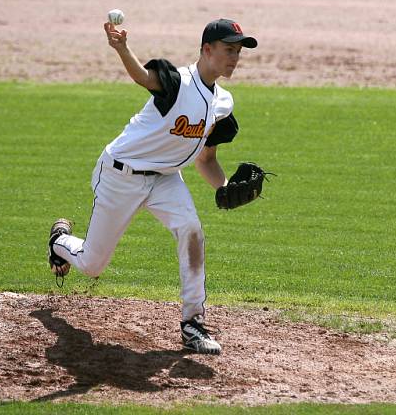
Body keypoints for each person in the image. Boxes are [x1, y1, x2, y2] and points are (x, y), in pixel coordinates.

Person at [46, 18, 258, 355]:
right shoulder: (179, 82)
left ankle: (193, 323)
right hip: (120, 175)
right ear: (207, 49)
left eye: (238, 52)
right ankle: (60, 242)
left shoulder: (222, 104)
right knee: (93, 264)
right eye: (228, 49)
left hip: (165, 178)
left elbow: (205, 160)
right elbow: (143, 77)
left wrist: (226, 187)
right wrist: (122, 48)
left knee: (191, 229)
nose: (234, 57)